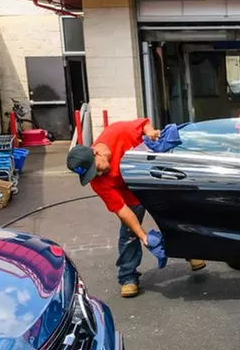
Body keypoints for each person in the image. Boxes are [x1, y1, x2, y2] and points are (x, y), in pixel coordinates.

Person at [66, 119, 206, 297]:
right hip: (130, 197)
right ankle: (128, 277)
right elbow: (122, 211)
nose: (99, 174)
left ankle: (190, 252)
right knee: (129, 234)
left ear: (96, 153)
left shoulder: (117, 133)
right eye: (93, 174)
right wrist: (144, 237)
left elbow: (143, 124)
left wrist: (150, 132)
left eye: (97, 168)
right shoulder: (98, 182)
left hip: (151, 180)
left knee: (173, 218)